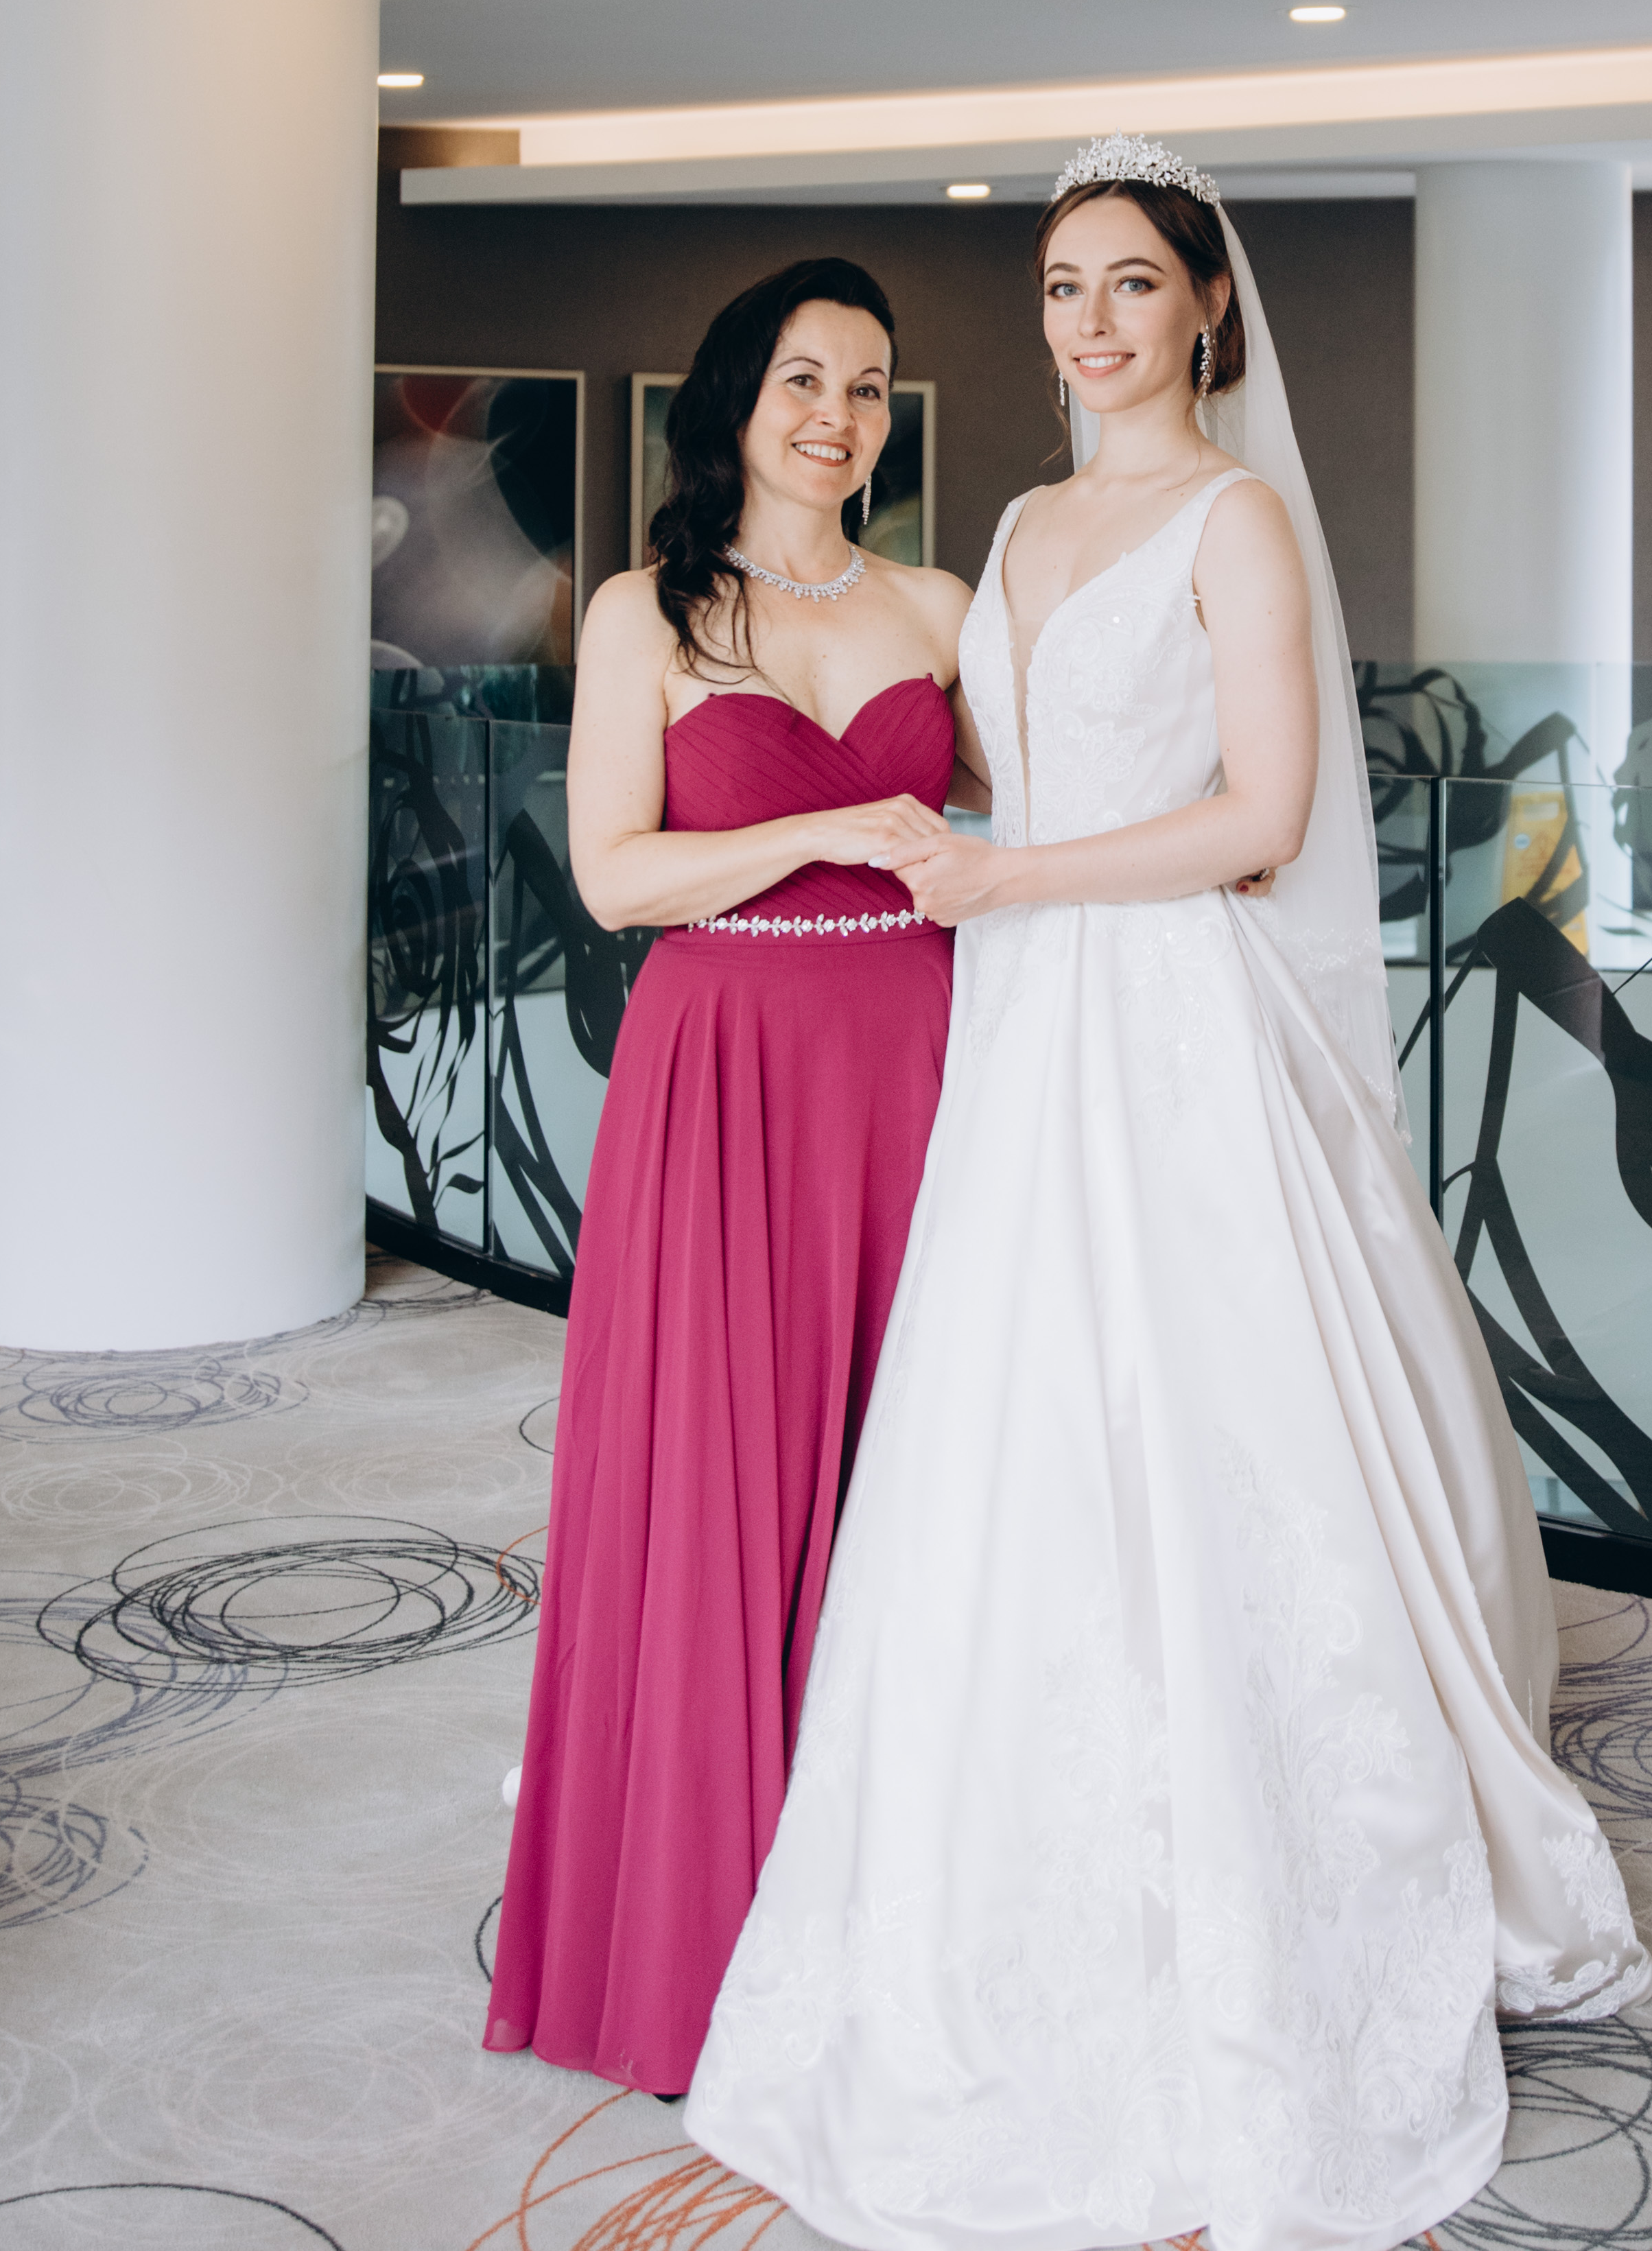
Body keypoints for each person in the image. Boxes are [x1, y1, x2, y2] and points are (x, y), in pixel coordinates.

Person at [685, 142, 1651, 2251]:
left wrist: (1013, 873)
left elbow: (1263, 813)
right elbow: (965, 750)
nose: (1093, 321)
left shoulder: (1238, 520)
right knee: (1012, 1437)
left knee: (1214, 1426)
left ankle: (1278, 1896)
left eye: (1131, 281)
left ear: (1207, 307)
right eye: (1061, 285)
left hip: (1161, 1009)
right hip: (1021, 1023)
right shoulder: (1018, 525)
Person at [484, 258, 981, 2099]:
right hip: (729, 1067)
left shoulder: (940, 603)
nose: (838, 415)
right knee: (723, 1463)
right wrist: (833, 823)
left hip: (925, 1058)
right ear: (736, 401)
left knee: (920, 1462)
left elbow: (1047, 809)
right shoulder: (647, 612)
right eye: (802, 380)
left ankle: (908, 1912)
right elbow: (619, 876)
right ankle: (708, 1922)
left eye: (866, 385)